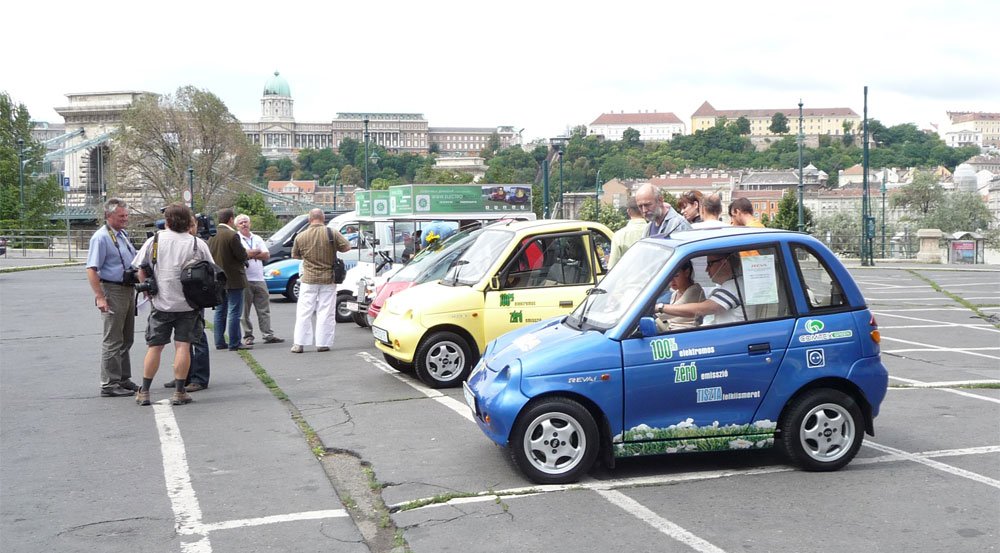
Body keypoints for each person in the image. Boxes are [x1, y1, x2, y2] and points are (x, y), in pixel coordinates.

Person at [132, 203, 215, 406]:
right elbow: (211, 271)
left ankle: (144, 391)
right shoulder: (197, 243)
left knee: (155, 347)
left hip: (161, 303)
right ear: (188, 221)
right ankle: (180, 392)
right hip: (188, 304)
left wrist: (150, 291)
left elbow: (139, 269)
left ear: (167, 221)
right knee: (183, 346)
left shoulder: (155, 241)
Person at [85, 198, 138, 397]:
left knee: (126, 338)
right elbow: (91, 269)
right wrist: (100, 296)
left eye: (126, 215)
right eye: (121, 216)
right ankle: (109, 383)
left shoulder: (122, 234)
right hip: (112, 289)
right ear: (109, 216)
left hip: (127, 288)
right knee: (113, 339)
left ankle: (123, 378)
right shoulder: (101, 238)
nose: (126, 219)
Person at [290, 208, 351, 353]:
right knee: (326, 311)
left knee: (304, 312)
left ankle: (299, 344)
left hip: (308, 278)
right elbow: (347, 247)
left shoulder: (301, 236)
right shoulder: (332, 233)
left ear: (309, 219)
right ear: (323, 218)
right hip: (328, 278)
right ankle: (323, 343)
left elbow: (295, 255)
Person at [165, 218, 211, 392]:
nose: (191, 229)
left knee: (197, 338)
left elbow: (210, 269)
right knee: (183, 341)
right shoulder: (180, 243)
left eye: (193, 225)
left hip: (196, 297)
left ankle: (199, 378)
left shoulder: (198, 245)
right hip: (180, 297)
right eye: (189, 225)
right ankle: (183, 376)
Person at [657, 253, 746, 326]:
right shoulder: (730, 285)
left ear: (724, 263)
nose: (706, 270)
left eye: (710, 264)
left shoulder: (733, 286)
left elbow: (702, 309)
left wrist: (660, 307)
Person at [236, 214, 283, 346]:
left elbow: (266, 255)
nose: (244, 224)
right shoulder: (236, 239)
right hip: (245, 279)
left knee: (264, 309)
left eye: (246, 222)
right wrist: (255, 253)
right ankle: (248, 335)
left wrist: (250, 253)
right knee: (244, 311)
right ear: (237, 226)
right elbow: (241, 256)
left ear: (249, 223)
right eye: (241, 223)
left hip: (259, 278)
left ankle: (268, 334)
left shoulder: (257, 238)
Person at [208, 208, 250, 351]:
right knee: (234, 311)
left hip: (218, 279)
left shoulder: (211, 236)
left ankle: (219, 341)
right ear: (231, 219)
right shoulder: (232, 235)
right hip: (234, 278)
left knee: (220, 311)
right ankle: (234, 342)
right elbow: (241, 255)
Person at [654, 260, 705, 330]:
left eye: (676, 276)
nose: (671, 280)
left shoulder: (694, 290)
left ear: (687, 272)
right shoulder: (675, 293)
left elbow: (668, 314)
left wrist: (653, 309)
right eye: (668, 276)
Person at [608, 197, 646, 268]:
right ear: (643, 210)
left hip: (626, 277)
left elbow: (612, 267)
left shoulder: (619, 235)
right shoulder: (655, 232)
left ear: (628, 211)